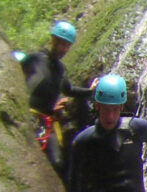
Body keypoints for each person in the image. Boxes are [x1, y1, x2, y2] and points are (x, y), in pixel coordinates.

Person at [18, 21, 95, 179]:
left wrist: (90, 91)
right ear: (53, 40)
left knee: (58, 162)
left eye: (67, 45)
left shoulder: (61, 69)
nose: (64, 49)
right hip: (28, 114)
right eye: (61, 44)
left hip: (46, 120)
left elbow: (69, 90)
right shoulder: (35, 58)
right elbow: (16, 75)